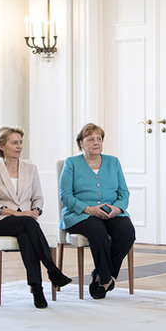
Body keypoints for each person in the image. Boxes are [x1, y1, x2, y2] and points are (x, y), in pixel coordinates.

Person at [0, 126, 72, 309]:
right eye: (14, 142)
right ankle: (52, 269)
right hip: (1, 222)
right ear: (2, 146)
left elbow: (38, 197)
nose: (19, 146)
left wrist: (36, 211)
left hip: (25, 222)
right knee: (28, 223)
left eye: (21, 142)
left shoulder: (30, 169)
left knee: (26, 236)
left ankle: (37, 289)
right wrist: (19, 213)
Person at [59, 123, 136, 300]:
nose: (96, 142)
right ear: (81, 143)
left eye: (99, 139)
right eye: (90, 139)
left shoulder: (113, 161)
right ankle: (105, 281)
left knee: (127, 232)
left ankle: (102, 274)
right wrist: (88, 209)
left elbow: (124, 193)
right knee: (97, 231)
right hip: (80, 213)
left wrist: (117, 208)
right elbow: (65, 196)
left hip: (111, 212)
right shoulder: (71, 163)